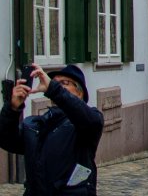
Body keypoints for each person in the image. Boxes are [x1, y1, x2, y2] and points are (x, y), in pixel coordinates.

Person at [0, 64, 103, 195]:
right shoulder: (36, 124)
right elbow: (6, 140)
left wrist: (54, 89)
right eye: (55, 83)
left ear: (80, 92)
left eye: (64, 83)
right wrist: (12, 108)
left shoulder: (86, 122)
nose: (59, 86)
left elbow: (90, 120)